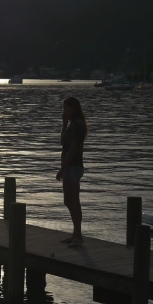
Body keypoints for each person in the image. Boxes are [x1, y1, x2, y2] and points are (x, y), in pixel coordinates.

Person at [56, 97, 88, 247]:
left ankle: (78, 236)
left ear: (73, 109)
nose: (64, 111)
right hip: (71, 166)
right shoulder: (72, 125)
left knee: (70, 201)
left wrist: (63, 168)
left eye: (66, 108)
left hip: (72, 167)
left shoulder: (77, 126)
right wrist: (63, 124)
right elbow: (63, 143)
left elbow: (72, 150)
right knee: (73, 201)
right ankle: (76, 234)